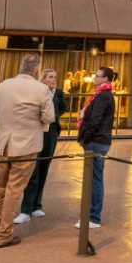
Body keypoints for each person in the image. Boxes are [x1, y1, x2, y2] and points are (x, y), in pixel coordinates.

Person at [0, 54, 54, 248]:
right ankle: (4, 234)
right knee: (13, 190)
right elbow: (49, 117)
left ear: (20, 66)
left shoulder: (2, 86)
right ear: (35, 70)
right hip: (26, 145)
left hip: (4, 144)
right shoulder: (41, 89)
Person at [16, 69, 67, 223]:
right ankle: (26, 209)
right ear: (43, 79)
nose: (54, 79)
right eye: (50, 77)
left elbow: (62, 108)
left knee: (44, 168)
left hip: (50, 134)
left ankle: (36, 205)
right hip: (36, 133)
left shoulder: (58, 93)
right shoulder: (37, 92)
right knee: (33, 170)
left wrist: (54, 121)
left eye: (55, 77)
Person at [75, 67, 116, 230]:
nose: (94, 79)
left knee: (95, 180)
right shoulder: (101, 95)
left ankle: (93, 217)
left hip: (97, 141)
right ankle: (92, 215)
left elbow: (95, 119)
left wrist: (86, 137)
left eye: (97, 76)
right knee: (93, 179)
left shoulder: (104, 96)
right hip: (97, 140)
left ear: (106, 79)